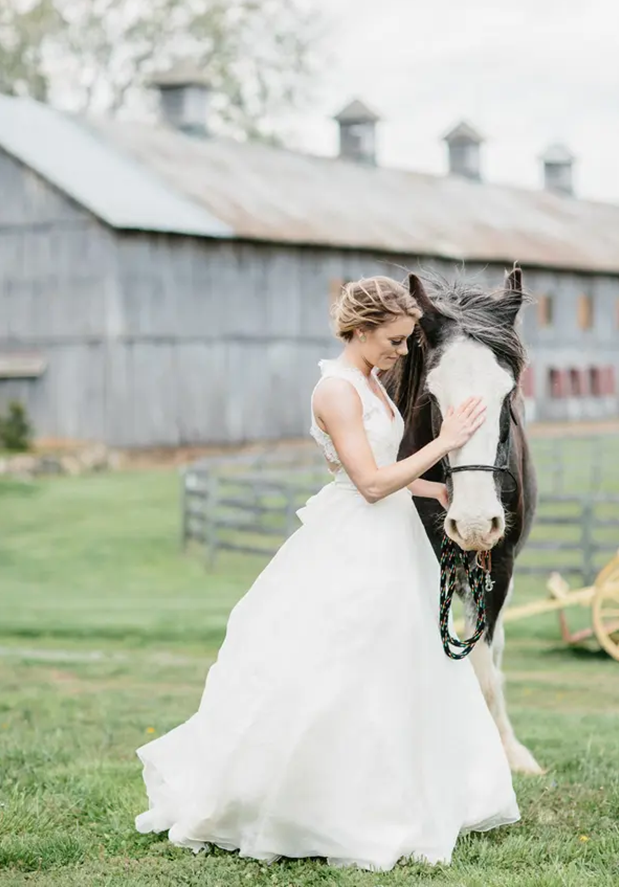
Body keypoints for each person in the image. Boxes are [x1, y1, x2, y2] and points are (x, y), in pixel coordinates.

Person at [135, 275, 519, 871]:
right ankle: (315, 804)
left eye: (406, 339)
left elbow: (379, 470)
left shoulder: (371, 382)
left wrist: (436, 488)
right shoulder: (335, 391)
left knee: (395, 671)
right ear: (361, 330)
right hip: (358, 539)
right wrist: (442, 440)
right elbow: (367, 485)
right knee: (342, 670)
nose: (401, 351)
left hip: (392, 539)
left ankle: (393, 797)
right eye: (393, 339)